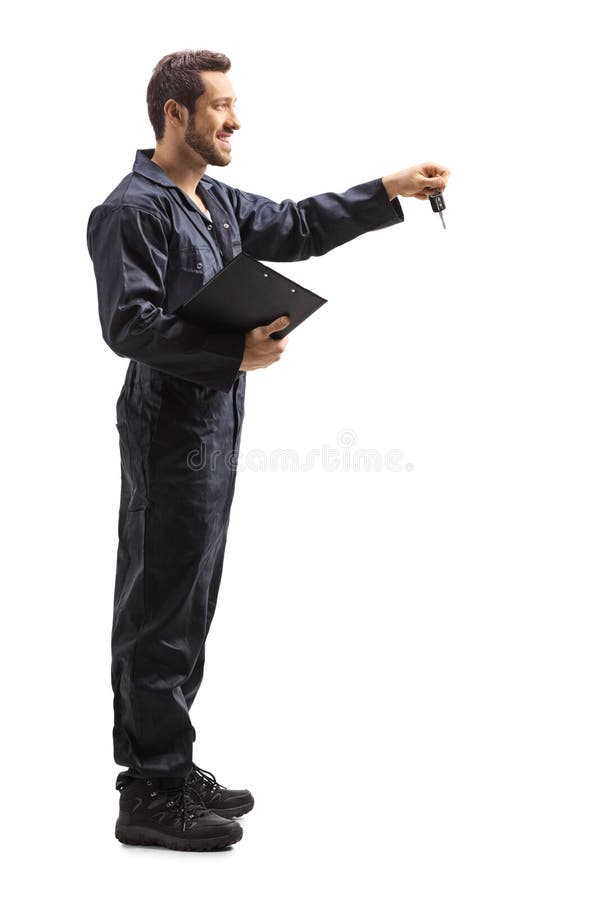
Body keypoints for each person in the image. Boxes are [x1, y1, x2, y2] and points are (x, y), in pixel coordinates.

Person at [86, 48, 450, 852]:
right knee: (159, 606)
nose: (235, 120)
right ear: (175, 113)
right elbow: (129, 325)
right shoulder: (131, 210)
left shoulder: (209, 200)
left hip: (212, 426)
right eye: (220, 106)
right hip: (166, 430)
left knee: (191, 599)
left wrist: (385, 191)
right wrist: (229, 354)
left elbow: (293, 224)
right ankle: (146, 790)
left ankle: (173, 769)